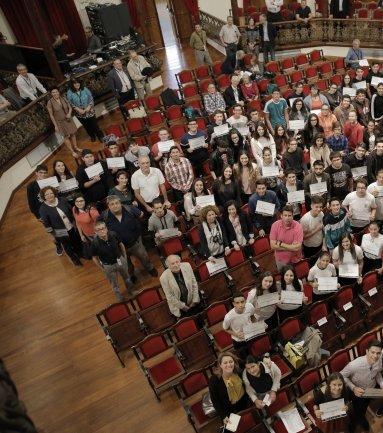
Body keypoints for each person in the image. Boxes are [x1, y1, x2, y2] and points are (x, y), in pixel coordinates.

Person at [102, 195, 157, 279]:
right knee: (126, 264)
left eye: (117, 203)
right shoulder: (104, 216)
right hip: (119, 247)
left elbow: (140, 214)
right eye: (112, 204)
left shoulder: (129, 209)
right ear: (108, 206)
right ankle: (131, 275)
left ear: (120, 203)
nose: (115, 205)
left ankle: (150, 268)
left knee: (144, 257)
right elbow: (99, 226)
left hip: (135, 242)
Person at [340, 339, 383, 431]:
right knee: (357, 409)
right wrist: (353, 387)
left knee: (364, 407)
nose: (375, 356)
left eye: (378, 353)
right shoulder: (354, 365)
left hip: (371, 390)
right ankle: (355, 423)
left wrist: (382, 383)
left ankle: (361, 418)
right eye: (372, 352)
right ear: (367, 351)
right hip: (357, 392)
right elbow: (341, 376)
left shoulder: (379, 361)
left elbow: (377, 373)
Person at [39, 187, 82, 266]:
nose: (49, 195)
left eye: (51, 193)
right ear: (43, 196)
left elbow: (70, 210)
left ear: (54, 193)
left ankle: (80, 254)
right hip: (59, 231)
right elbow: (46, 224)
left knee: (75, 241)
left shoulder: (62, 200)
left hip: (71, 226)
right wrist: (53, 235)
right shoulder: (43, 209)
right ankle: (74, 259)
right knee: (67, 246)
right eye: (46, 194)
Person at [91, 220, 133, 301]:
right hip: (108, 266)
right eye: (99, 229)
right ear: (96, 232)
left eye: (103, 228)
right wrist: (102, 268)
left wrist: (124, 257)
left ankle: (131, 291)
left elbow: (121, 244)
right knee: (114, 285)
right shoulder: (94, 243)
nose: (102, 230)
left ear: (106, 228)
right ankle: (120, 298)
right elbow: (94, 257)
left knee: (127, 278)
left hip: (120, 261)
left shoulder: (113, 234)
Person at [208, 352, 250, 425]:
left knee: (249, 424)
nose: (229, 365)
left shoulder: (238, 371)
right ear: (220, 365)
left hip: (245, 403)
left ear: (234, 362)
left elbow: (250, 362)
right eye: (225, 363)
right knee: (233, 429)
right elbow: (215, 400)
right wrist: (223, 416)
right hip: (229, 410)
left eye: (231, 362)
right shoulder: (214, 380)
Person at [67, 78, 104, 142]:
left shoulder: (84, 89)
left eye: (78, 83)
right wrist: (78, 109)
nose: (77, 84)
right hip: (79, 113)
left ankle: (100, 136)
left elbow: (91, 98)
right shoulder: (69, 92)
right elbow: (70, 103)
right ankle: (92, 136)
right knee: (87, 126)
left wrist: (89, 106)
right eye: (75, 83)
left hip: (89, 110)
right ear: (72, 85)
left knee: (95, 125)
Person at [47, 87, 80, 158]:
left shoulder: (63, 98)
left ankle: (76, 147)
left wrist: (69, 113)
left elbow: (70, 107)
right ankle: (72, 151)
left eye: (56, 91)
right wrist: (55, 125)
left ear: (58, 92)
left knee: (72, 133)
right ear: (51, 94)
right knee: (65, 136)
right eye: (53, 92)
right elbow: (51, 115)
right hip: (60, 122)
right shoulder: (50, 102)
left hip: (68, 119)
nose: (55, 93)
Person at [270, 206, 303, 271]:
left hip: (295, 259)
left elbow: (297, 247)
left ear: (292, 216)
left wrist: (281, 244)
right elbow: (273, 246)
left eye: (289, 215)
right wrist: (291, 247)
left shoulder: (298, 226)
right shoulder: (275, 225)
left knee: (295, 276)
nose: (287, 218)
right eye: (285, 215)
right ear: (281, 216)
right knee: (283, 277)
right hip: (281, 259)